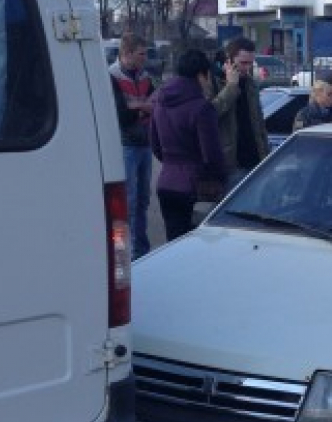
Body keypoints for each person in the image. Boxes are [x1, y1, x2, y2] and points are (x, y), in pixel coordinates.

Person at [150, 49, 226, 241]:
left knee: (173, 244)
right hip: (194, 186)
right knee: (193, 247)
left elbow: (155, 144)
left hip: (165, 182)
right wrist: (221, 178)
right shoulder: (201, 108)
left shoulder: (160, 101)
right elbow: (212, 154)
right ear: (201, 75)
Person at [109, 31, 155, 258]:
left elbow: (156, 104)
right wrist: (142, 108)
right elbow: (119, 115)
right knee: (125, 202)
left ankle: (140, 249)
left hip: (144, 143)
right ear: (127, 53)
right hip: (125, 144)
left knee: (142, 200)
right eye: (141, 54)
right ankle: (121, 252)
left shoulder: (145, 76)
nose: (144, 58)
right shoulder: (111, 77)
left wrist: (135, 105)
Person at [210, 38, 270, 187]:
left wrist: (266, 153)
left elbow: (259, 122)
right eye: (243, 63)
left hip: (255, 158)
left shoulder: (250, 83)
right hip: (232, 162)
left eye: (250, 63)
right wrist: (231, 87)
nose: (247, 67)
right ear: (229, 60)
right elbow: (211, 113)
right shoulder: (214, 82)